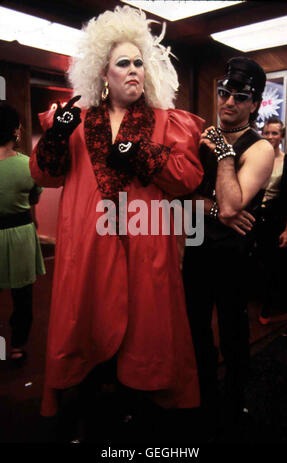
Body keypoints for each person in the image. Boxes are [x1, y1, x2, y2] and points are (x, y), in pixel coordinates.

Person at [29, 5, 204, 437]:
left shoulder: (167, 122)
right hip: (88, 248)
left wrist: (145, 154)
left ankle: (140, 413)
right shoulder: (76, 122)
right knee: (84, 329)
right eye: (122, 63)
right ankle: (88, 410)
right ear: (102, 73)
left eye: (138, 62)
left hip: (146, 248)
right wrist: (54, 135)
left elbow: (188, 178)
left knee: (146, 335)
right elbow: (44, 174)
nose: (132, 70)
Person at [182, 57, 274, 434]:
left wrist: (222, 154)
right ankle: (203, 398)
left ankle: (234, 405)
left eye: (239, 96)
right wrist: (210, 207)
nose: (228, 102)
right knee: (196, 330)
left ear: (254, 104)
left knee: (234, 333)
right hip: (197, 247)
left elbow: (234, 205)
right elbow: (178, 197)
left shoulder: (261, 149)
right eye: (224, 93)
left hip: (234, 255)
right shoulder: (200, 136)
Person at [0, 102, 45, 365]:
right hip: (20, 236)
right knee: (23, 299)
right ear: (16, 131)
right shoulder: (28, 165)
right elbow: (35, 199)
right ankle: (16, 347)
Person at [256, 117, 287, 325]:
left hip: (276, 218)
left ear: (281, 136)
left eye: (274, 133)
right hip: (253, 215)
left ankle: (267, 308)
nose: (270, 137)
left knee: (272, 265)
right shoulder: (255, 158)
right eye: (266, 133)